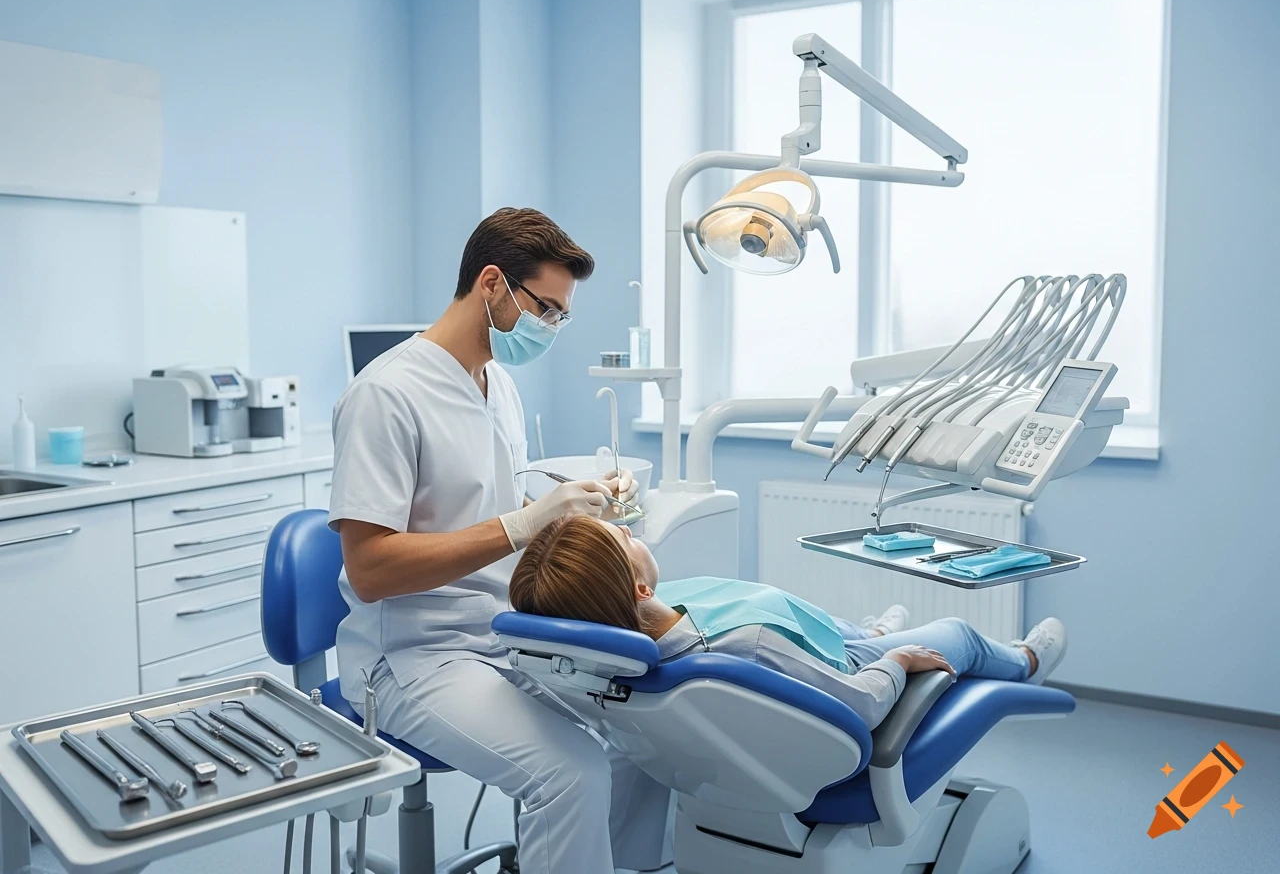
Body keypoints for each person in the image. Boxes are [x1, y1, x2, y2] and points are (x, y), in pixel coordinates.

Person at [329, 208, 671, 874]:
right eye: (545, 308)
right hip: (411, 658)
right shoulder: (385, 395)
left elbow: (490, 506)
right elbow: (369, 568)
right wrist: (525, 522)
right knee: (569, 775)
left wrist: (576, 514)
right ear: (491, 283)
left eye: (559, 316)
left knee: (652, 735)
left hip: (503, 633)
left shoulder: (499, 385)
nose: (550, 327)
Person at [509, 515, 1068, 731]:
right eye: (624, 539)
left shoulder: (633, 635)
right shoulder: (743, 648)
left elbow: (775, 625)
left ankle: (867, 632)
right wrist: (895, 662)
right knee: (959, 633)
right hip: (847, 671)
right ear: (639, 589)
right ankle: (1026, 662)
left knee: (832, 623)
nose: (632, 531)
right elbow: (859, 704)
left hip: (817, 641)